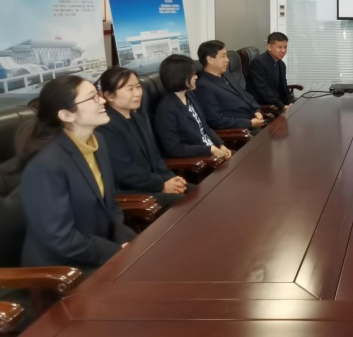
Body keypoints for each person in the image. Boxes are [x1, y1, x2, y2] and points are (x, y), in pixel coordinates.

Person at [16, 76, 135, 270]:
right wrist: (113, 251)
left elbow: (110, 202)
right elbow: (59, 238)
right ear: (67, 115)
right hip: (63, 269)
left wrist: (126, 240)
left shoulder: (97, 141)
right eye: (93, 97)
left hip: (97, 250)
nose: (102, 100)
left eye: (98, 94)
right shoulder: (46, 164)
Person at [96, 66, 191, 210]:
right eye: (130, 89)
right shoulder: (106, 127)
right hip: (134, 192)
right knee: (186, 204)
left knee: (198, 192)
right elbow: (125, 172)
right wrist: (161, 184)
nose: (138, 93)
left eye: (138, 87)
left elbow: (156, 157)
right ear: (109, 96)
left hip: (154, 182)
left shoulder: (136, 116)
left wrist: (170, 178)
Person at [154, 55, 232, 160]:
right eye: (193, 74)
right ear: (180, 76)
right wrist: (210, 150)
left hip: (214, 152)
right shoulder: (166, 109)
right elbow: (174, 149)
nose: (196, 77)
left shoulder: (189, 95)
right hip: (200, 160)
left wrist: (220, 145)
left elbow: (205, 127)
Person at [194, 40, 267, 130]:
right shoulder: (204, 86)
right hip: (240, 131)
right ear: (210, 59)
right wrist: (249, 123)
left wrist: (257, 110)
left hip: (255, 121)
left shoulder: (226, 75)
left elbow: (245, 95)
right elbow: (216, 120)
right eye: (223, 56)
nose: (227, 60)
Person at [246, 32, 293, 113]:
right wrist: (282, 106)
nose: (283, 51)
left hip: (276, 103)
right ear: (269, 47)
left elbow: (284, 86)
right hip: (262, 105)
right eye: (280, 47)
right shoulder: (258, 63)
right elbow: (264, 90)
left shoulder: (281, 64)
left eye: (285, 47)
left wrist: (290, 103)